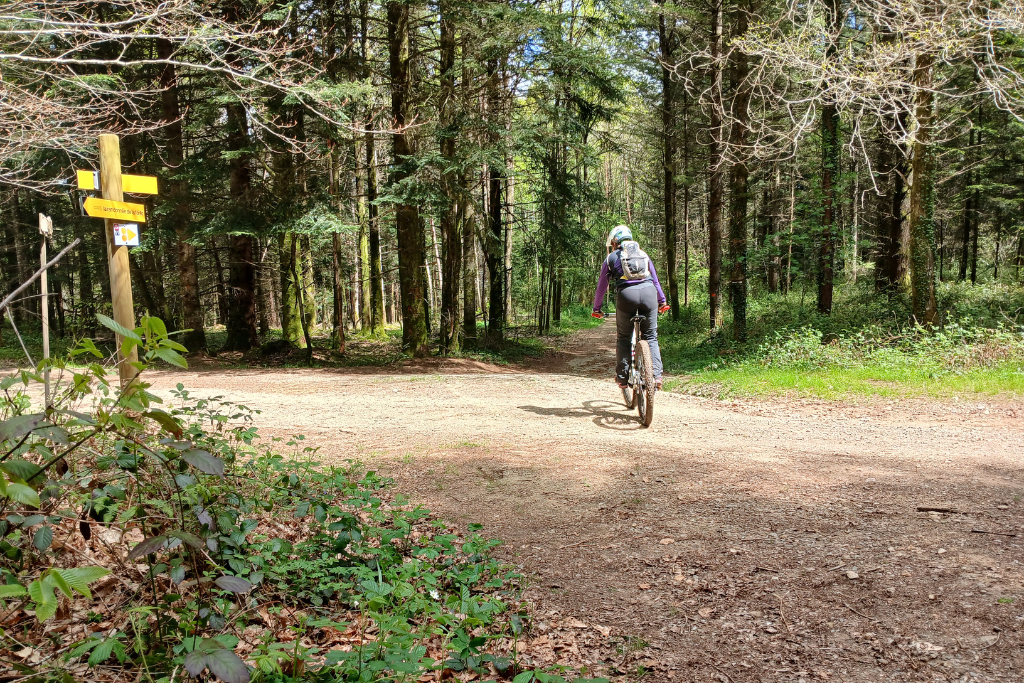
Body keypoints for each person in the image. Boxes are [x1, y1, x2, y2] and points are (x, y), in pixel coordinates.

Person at [592, 225, 670, 390]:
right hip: (649, 295)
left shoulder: (611, 258)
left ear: (615, 242)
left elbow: (601, 287)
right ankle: (656, 376)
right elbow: (655, 280)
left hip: (626, 296)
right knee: (651, 336)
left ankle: (622, 378)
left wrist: (596, 309)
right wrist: (662, 301)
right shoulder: (643, 255)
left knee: (624, 338)